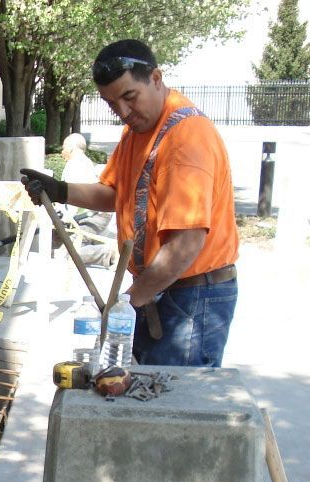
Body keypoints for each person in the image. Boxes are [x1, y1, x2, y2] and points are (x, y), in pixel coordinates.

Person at [21, 40, 239, 367]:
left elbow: (184, 246)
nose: (122, 112)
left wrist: (127, 302)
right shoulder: (138, 130)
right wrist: (60, 190)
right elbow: (115, 194)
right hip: (159, 288)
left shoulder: (186, 139)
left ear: (155, 78)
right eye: (111, 103)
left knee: (173, 396)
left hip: (191, 298)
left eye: (129, 97)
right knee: (141, 387)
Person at [58, 132, 118, 269]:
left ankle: (109, 253)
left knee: (68, 254)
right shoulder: (85, 162)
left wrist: (65, 219)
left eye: (64, 147)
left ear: (70, 148)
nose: (62, 152)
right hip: (96, 214)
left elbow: (74, 196)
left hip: (91, 216)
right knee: (73, 244)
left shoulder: (74, 165)